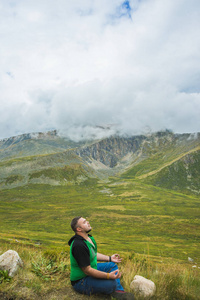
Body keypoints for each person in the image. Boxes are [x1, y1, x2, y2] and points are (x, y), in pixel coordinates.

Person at [68, 216, 134, 299]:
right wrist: (108, 276)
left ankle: (118, 291)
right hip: (81, 281)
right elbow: (87, 271)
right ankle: (114, 288)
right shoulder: (78, 246)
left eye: (86, 220)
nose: (88, 222)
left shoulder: (88, 238)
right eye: (84, 222)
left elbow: (93, 254)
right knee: (112, 283)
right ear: (79, 229)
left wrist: (110, 258)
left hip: (92, 269)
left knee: (112, 265)